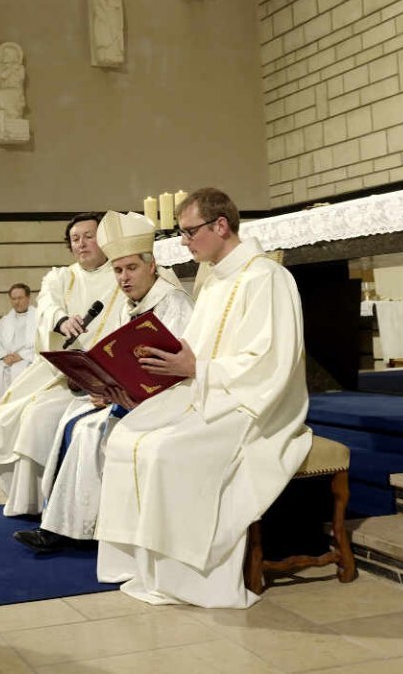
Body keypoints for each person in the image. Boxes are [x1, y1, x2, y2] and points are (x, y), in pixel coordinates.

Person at [95, 188, 312, 608]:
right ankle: (141, 566)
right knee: (127, 437)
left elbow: (271, 363)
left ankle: (189, 576)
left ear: (221, 226)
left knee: (164, 450)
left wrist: (198, 370)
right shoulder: (215, 280)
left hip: (253, 406)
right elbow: (188, 354)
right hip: (207, 393)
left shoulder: (266, 278)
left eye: (189, 231)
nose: (183, 241)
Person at [14, 211, 194, 552]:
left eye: (131, 269)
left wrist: (119, 394)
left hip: (168, 403)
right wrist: (104, 385)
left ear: (151, 266)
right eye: (117, 270)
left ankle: (75, 529)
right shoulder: (132, 305)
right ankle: (64, 523)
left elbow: (178, 368)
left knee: (88, 430)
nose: (123, 278)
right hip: (132, 397)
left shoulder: (172, 303)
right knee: (73, 420)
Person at [0, 212, 123, 516]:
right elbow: (47, 304)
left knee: (37, 415)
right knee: (7, 414)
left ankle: (50, 505)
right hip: (63, 373)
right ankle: (29, 502)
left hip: (108, 375)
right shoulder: (61, 276)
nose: (82, 244)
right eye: (75, 239)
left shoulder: (121, 273)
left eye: (89, 236)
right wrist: (61, 320)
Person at [0, 283, 37, 407]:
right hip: (8, 358)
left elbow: (43, 342)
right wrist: (3, 356)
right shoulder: (6, 320)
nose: (16, 302)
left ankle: (19, 404)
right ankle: (2, 403)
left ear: (28, 298)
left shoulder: (38, 317)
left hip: (29, 358)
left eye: (20, 298)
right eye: (13, 299)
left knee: (19, 369)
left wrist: (22, 356)